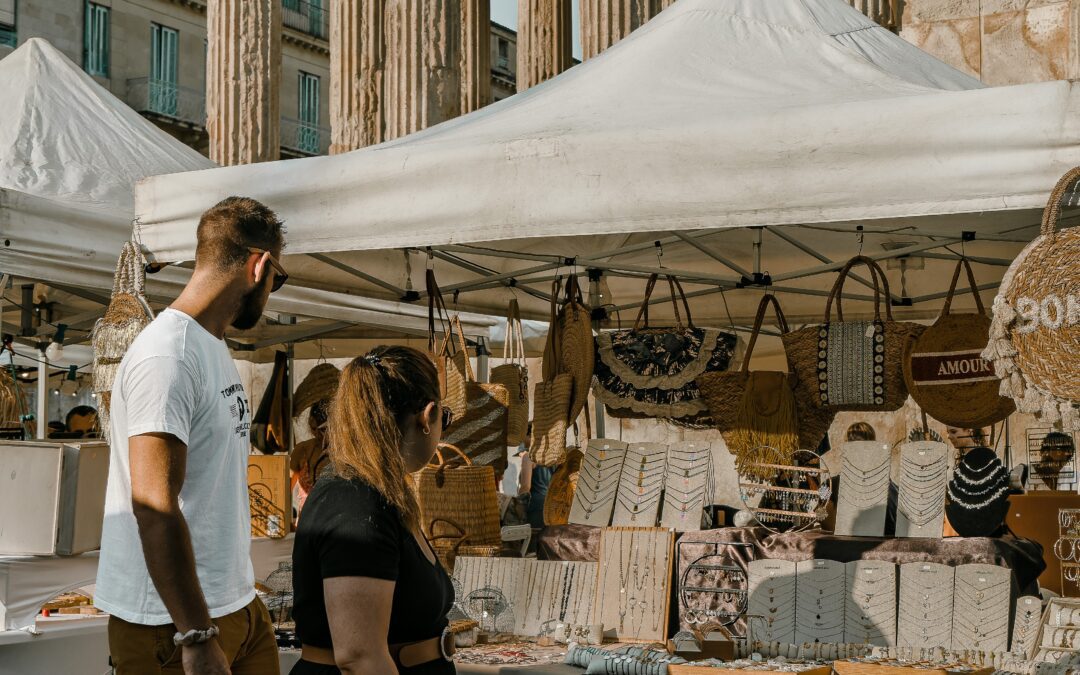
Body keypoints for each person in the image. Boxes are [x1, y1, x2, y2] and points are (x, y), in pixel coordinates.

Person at [95, 197, 288, 675]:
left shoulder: (210, 345)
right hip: (172, 626)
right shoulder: (169, 354)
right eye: (277, 279)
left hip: (234, 606)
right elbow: (154, 506)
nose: (272, 292)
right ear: (258, 266)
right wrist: (196, 633)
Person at [290, 346, 456, 675]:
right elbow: (359, 657)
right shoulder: (355, 498)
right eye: (445, 420)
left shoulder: (374, 491)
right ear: (428, 416)